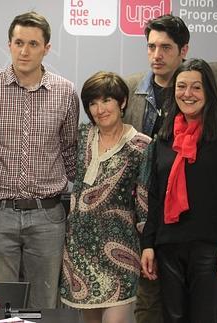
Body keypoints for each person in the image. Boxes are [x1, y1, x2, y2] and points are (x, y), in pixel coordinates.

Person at [123, 14, 217, 323]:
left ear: (208, 93)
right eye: (181, 87)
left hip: (212, 247)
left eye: (196, 88)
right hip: (167, 247)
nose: (187, 94)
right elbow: (155, 195)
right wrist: (148, 244)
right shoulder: (164, 135)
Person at [0, 11, 79, 308]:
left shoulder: (65, 92)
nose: (24, 51)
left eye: (33, 43)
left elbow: (70, 150)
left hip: (48, 216)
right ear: (9, 44)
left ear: (47, 48)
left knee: (43, 305)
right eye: (18, 42)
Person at [60, 72, 151, 322]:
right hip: (79, 251)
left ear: (122, 102)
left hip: (121, 252)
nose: (100, 109)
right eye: (92, 103)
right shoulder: (81, 136)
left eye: (107, 100)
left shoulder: (142, 146)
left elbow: (144, 204)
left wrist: (149, 246)